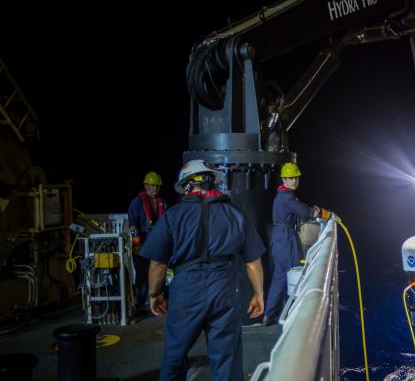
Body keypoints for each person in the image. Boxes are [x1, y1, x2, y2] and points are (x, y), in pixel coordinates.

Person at [139, 160, 265, 380]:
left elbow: (157, 264)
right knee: (227, 361)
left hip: (186, 291)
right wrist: (258, 294)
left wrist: (154, 294)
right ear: (211, 183)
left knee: (175, 356)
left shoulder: (173, 215)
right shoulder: (235, 214)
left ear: (187, 186)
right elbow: (253, 261)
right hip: (225, 289)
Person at [262, 162, 321, 325]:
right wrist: (315, 212)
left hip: (279, 236)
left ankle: (269, 315)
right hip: (286, 237)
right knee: (295, 272)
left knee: (279, 276)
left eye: (296, 177)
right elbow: (303, 212)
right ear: (284, 180)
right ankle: (292, 314)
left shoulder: (281, 195)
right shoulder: (287, 197)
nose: (294, 181)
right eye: (290, 178)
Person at [127, 171, 168, 315]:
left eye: (157, 186)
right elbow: (133, 225)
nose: (155, 189)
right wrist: (136, 245)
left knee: (158, 273)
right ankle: (139, 304)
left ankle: (157, 301)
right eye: (152, 186)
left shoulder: (162, 202)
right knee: (142, 275)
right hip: (143, 245)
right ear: (146, 186)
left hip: (157, 244)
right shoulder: (137, 202)